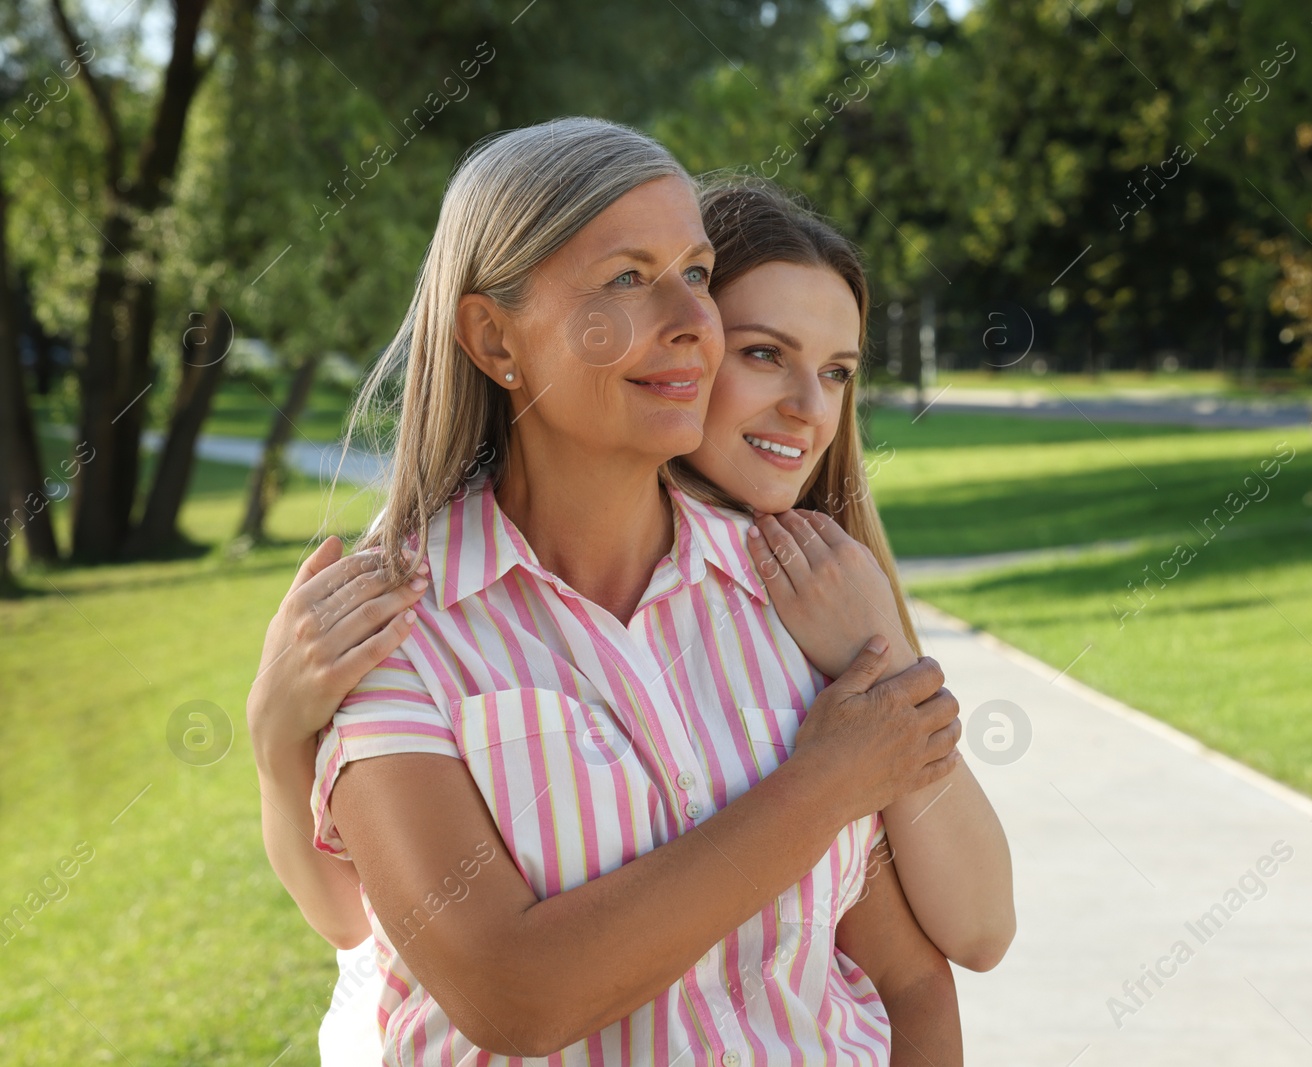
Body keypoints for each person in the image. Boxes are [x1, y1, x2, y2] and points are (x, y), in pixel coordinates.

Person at [247, 121, 1010, 1064]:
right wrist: (823, 784)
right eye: (626, 278)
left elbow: (910, 978)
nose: (694, 321)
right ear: (494, 336)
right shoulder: (397, 627)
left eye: (695, 273)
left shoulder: (789, 596)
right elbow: (512, 992)